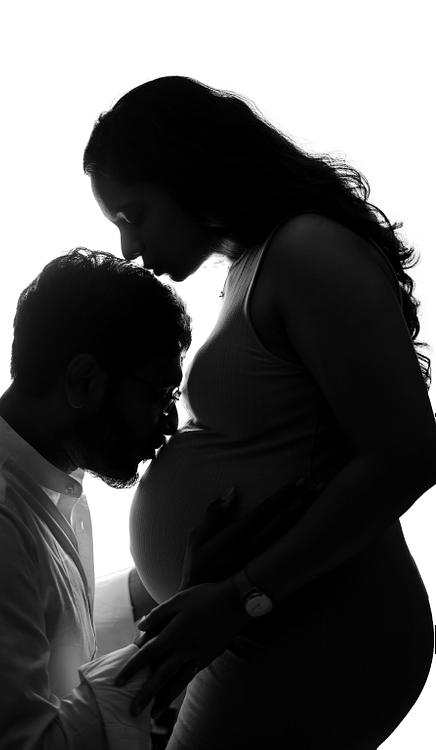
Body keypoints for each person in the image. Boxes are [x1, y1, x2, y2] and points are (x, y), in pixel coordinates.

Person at [83, 76, 436, 749]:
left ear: (185, 172)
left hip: (314, 631)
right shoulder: (254, 263)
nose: (129, 249)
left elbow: (409, 455)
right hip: (259, 620)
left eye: (134, 214)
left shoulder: (306, 251)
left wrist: (244, 593)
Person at [0, 247, 192, 750]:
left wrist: (159, 600)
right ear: (84, 381)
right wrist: (176, 644)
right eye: (159, 396)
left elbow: (58, 675)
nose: (170, 423)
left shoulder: (49, 486)